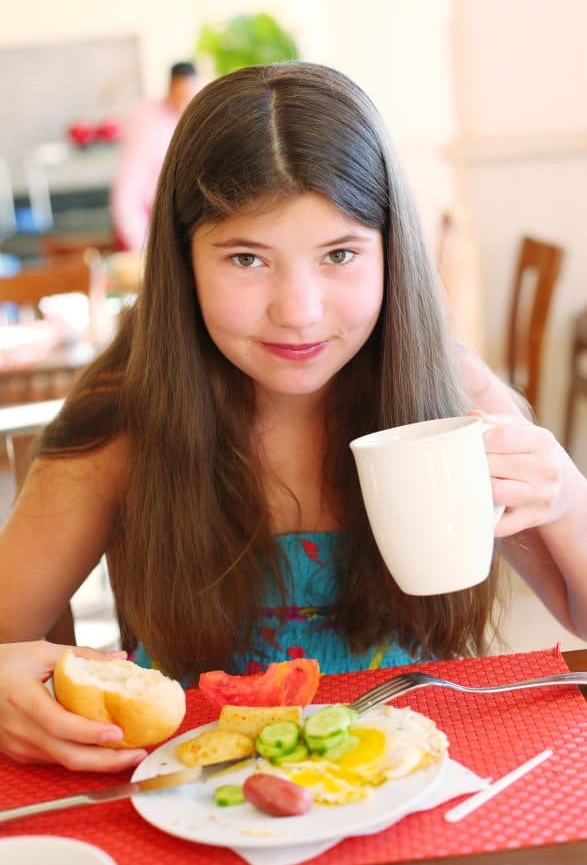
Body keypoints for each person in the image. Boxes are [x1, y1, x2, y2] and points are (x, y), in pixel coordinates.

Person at [1, 62, 586, 773]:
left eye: (339, 253)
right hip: (204, 803)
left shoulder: (447, 398)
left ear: (389, 254)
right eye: (247, 258)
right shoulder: (127, 417)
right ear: (182, 263)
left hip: (412, 792)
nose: (298, 310)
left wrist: (562, 493)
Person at [110, 61, 201, 252]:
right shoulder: (146, 121)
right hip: (146, 220)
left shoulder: (194, 117)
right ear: (170, 87)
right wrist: (143, 246)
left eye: (190, 96)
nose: (185, 103)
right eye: (181, 95)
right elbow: (128, 190)